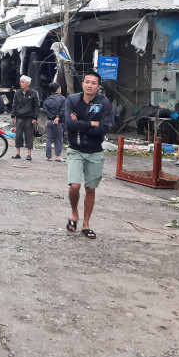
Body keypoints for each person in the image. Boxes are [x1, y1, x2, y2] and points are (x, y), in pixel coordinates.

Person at [64, 71, 114, 239]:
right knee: (74, 186)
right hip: (75, 149)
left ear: (98, 87)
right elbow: (69, 125)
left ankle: (86, 224)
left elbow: (103, 128)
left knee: (90, 189)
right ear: (83, 84)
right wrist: (91, 123)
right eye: (87, 82)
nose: (89, 85)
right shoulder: (72, 100)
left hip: (95, 151)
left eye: (93, 83)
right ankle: (74, 213)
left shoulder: (104, 102)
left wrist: (80, 123)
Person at [10, 75, 40, 161]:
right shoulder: (17, 93)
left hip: (29, 118)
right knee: (18, 135)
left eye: (23, 82)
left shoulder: (33, 93)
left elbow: (36, 106)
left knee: (29, 136)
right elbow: (14, 105)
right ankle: (18, 153)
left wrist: (35, 117)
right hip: (19, 117)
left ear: (28, 83)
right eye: (21, 82)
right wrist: (13, 116)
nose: (21, 84)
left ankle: (29, 154)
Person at [42, 82, 66, 162]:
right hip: (58, 122)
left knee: (48, 139)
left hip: (49, 121)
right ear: (58, 89)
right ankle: (58, 156)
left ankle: (49, 157)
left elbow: (45, 110)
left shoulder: (47, 99)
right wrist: (58, 117)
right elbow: (64, 109)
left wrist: (52, 117)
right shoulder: (63, 99)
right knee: (58, 138)